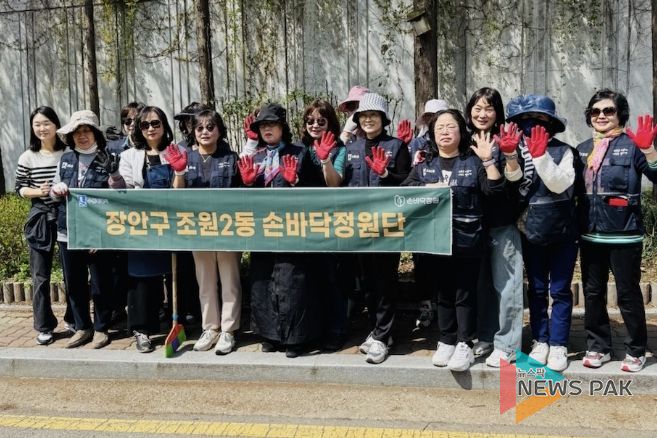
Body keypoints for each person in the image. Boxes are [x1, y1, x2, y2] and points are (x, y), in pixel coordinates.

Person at [402, 109, 504, 371]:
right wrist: (428, 188)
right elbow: (404, 191)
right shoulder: (424, 165)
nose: (445, 132)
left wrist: (488, 161)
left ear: (461, 131)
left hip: (467, 240)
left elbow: (494, 191)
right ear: (432, 134)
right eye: (439, 128)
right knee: (443, 292)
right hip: (435, 241)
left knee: (464, 293)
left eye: (450, 127)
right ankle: (446, 339)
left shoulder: (473, 162)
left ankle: (464, 343)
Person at [577, 89, 657, 372]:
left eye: (608, 110)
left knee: (627, 293)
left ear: (620, 114)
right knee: (593, 293)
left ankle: (636, 350)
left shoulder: (634, 146)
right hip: (590, 234)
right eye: (595, 111)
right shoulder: (582, 149)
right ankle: (598, 346)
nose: (601, 116)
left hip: (624, 234)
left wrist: (649, 151)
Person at [506, 94, 583, 372]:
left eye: (539, 118)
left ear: (551, 122)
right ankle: (540, 340)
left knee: (560, 289)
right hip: (530, 231)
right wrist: (511, 156)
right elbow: (512, 183)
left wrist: (541, 156)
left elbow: (560, 184)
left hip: (563, 231)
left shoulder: (566, 151)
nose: (532, 123)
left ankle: (559, 343)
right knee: (537, 289)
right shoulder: (512, 149)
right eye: (525, 119)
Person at [237, 103, 319, 358]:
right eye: (263, 125)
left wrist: (296, 182)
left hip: (292, 228)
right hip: (263, 228)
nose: (267, 129)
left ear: (282, 127)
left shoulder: (300, 153)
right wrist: (247, 184)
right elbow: (241, 196)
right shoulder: (255, 156)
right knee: (262, 280)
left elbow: (318, 188)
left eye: (272, 124)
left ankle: (294, 338)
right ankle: (269, 334)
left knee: (291, 281)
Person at [342, 92, 411, 364]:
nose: (368, 120)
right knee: (367, 283)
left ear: (383, 119)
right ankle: (378, 330)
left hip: (387, 226)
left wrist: (385, 174)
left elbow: (407, 182)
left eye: (373, 115)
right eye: (363, 116)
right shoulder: (352, 147)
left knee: (384, 282)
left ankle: (382, 337)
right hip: (359, 226)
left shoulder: (397, 146)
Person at [109, 106, 183, 352]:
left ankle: (176, 323)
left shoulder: (175, 151)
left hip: (171, 224)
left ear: (164, 125)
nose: (151, 128)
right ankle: (142, 329)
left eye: (155, 123)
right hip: (141, 225)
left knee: (175, 275)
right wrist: (114, 175)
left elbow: (181, 192)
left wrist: (179, 170)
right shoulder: (129, 156)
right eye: (145, 124)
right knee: (142, 278)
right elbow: (124, 190)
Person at [171, 109, 243, 355]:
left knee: (230, 281)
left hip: (228, 229)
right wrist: (179, 172)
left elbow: (243, 193)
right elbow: (176, 194)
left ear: (219, 131)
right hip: (198, 230)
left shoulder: (231, 157)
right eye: (200, 128)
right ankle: (210, 327)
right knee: (205, 282)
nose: (205, 132)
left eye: (210, 127)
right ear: (193, 132)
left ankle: (229, 330)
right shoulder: (186, 157)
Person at [464, 88, 525, 367]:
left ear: (497, 112)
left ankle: (508, 345)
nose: (482, 114)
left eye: (488, 108)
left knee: (507, 286)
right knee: (482, 286)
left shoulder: (506, 138)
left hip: (501, 224)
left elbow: (515, 179)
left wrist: (508, 154)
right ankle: (487, 336)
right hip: (472, 226)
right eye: (477, 108)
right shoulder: (466, 140)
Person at [50, 110, 115, 349]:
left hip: (98, 233)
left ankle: (101, 328)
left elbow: (118, 196)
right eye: (77, 132)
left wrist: (114, 174)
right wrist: (55, 190)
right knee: (74, 284)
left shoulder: (108, 158)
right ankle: (82, 327)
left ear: (96, 133)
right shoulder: (66, 159)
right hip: (68, 232)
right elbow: (53, 194)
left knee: (100, 283)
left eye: (87, 130)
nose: (82, 136)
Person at [15, 106, 71, 345]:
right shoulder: (27, 156)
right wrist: (39, 191)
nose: (42, 128)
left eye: (46, 123)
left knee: (72, 273)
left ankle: (74, 319)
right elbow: (19, 188)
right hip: (40, 216)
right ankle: (44, 325)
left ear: (56, 125)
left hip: (67, 215)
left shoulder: (68, 153)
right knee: (40, 275)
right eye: (37, 124)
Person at [297, 99, 348, 350]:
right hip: (302, 222)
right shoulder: (300, 147)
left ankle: (336, 330)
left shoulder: (340, 148)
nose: (315, 125)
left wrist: (326, 159)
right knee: (308, 279)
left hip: (330, 221)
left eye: (321, 121)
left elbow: (335, 183)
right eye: (310, 121)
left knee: (332, 278)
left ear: (331, 124)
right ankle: (312, 331)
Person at [407, 98, 448, 330]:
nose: (434, 122)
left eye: (439, 117)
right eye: (430, 118)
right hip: (422, 216)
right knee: (422, 264)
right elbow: (409, 179)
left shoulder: (456, 140)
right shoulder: (417, 143)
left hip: (447, 217)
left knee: (444, 266)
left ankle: (445, 310)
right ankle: (425, 307)